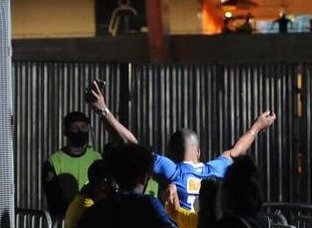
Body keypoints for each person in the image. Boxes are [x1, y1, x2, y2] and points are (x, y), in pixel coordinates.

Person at [87, 81, 277, 211]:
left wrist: (104, 111)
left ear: (171, 152)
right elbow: (236, 151)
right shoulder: (214, 171)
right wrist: (257, 126)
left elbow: (131, 144)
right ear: (199, 152)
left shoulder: (173, 172)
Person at [41, 111, 102, 218]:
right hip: (65, 220)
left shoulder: (97, 158)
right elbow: (53, 197)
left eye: (83, 127)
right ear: (66, 131)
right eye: (75, 127)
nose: (80, 131)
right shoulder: (54, 161)